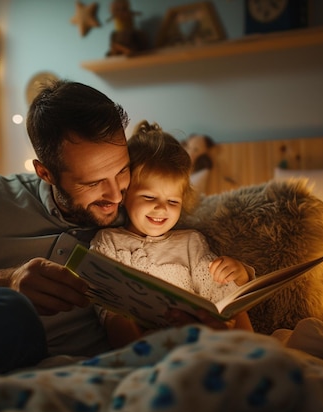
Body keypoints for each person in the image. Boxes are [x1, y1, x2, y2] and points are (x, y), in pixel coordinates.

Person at [0, 80, 225, 401]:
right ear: (45, 172)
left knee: (10, 314)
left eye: (122, 170)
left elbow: (188, 244)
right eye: (92, 183)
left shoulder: (141, 210)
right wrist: (6, 281)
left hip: (22, 356)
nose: (116, 195)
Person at [90, 121, 254, 348]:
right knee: (115, 314)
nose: (162, 208)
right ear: (124, 195)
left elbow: (217, 293)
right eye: (149, 197)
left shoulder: (191, 242)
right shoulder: (110, 241)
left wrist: (235, 274)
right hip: (143, 344)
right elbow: (104, 300)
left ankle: (255, 352)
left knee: (232, 305)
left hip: (198, 340)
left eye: (173, 201)